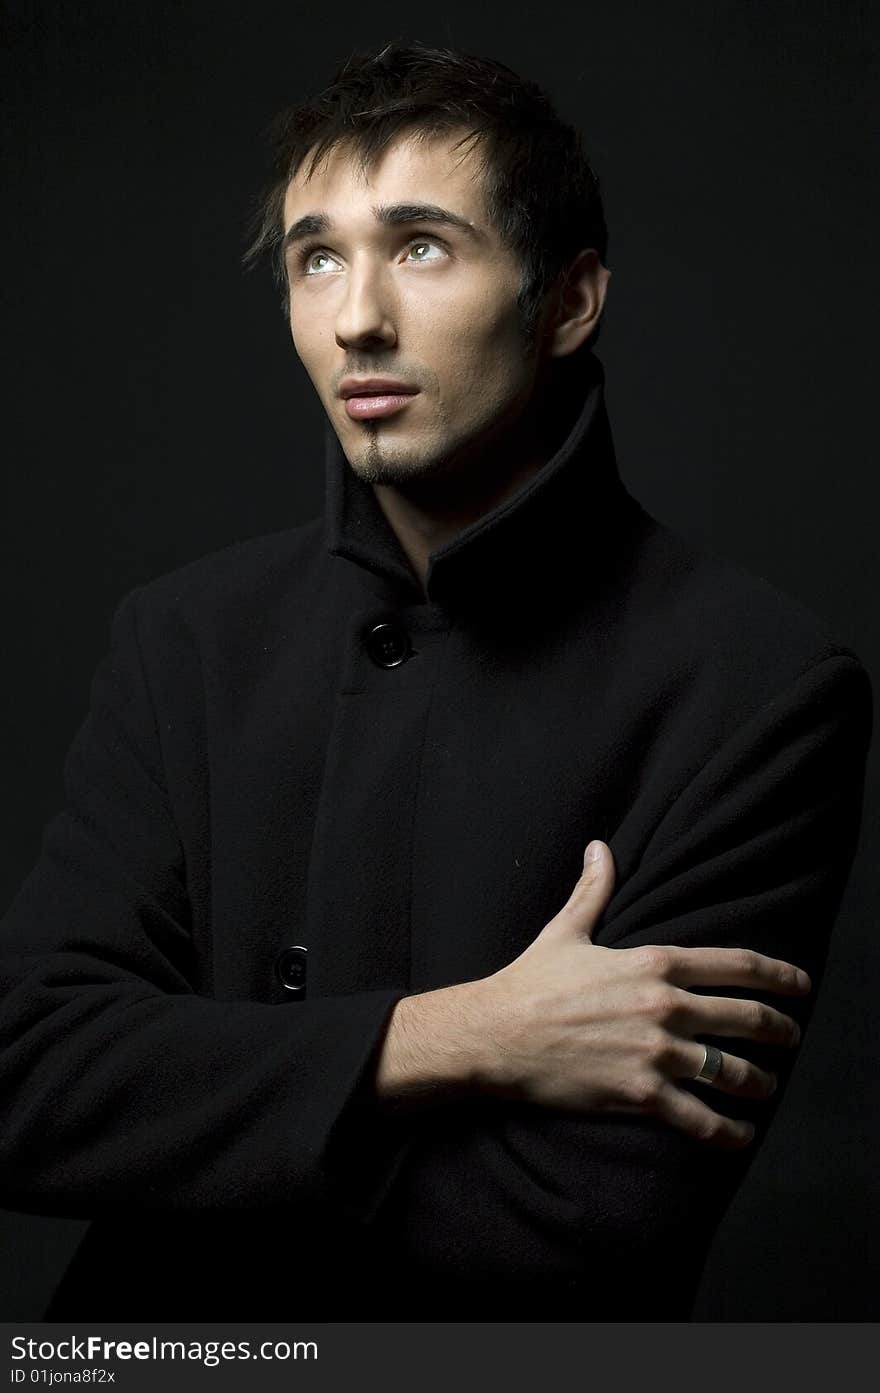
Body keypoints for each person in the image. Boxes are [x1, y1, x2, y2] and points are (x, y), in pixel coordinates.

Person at [0, 39, 871, 1322]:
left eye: (420, 246)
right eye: (316, 257)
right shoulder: (181, 639)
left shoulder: (758, 684)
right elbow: (24, 1080)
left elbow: (586, 1226)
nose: (357, 315)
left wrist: (186, 1128)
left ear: (566, 299)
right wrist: (461, 1039)